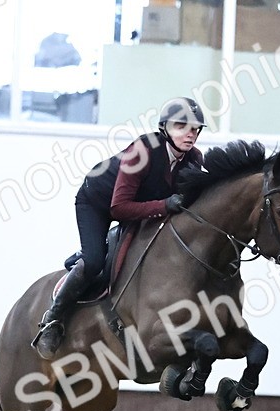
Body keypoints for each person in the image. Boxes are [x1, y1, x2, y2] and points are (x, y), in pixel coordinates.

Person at [33, 96, 206, 359]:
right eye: (182, 127)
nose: (190, 134)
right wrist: (164, 204)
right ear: (164, 128)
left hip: (140, 207)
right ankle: (53, 318)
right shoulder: (143, 150)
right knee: (93, 262)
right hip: (99, 202)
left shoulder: (194, 159)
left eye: (195, 129)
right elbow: (119, 208)